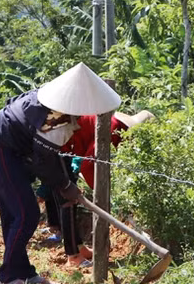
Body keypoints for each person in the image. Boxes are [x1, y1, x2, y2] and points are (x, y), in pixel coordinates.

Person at [0, 62, 121, 284]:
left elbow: (52, 158)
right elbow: (44, 161)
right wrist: (65, 186)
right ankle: (7, 277)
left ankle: (22, 272)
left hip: (8, 151)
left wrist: (64, 185)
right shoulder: (57, 120)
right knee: (26, 214)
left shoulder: (52, 106)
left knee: (15, 215)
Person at [48, 110, 155, 266]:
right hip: (56, 147)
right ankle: (74, 257)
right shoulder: (113, 128)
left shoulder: (119, 131)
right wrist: (104, 197)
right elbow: (88, 167)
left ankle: (79, 248)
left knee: (67, 199)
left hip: (63, 148)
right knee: (68, 201)